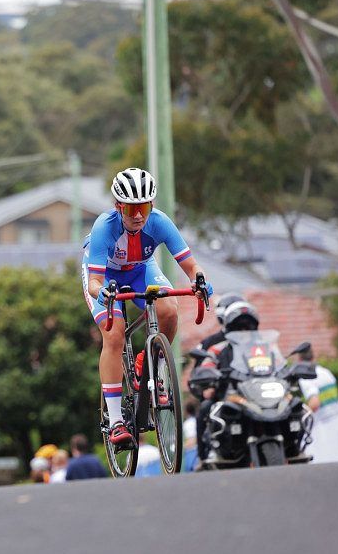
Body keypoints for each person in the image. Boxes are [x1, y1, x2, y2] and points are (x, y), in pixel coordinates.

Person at [83, 167, 212, 447]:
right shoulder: (104, 228)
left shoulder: (160, 222)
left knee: (168, 310)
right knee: (114, 335)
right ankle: (116, 420)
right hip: (106, 276)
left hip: (141, 269)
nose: (138, 215)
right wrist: (102, 293)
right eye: (131, 209)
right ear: (119, 207)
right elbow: (94, 282)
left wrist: (199, 279)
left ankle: (151, 362)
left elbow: (191, 265)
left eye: (143, 206)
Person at [193, 300, 261, 465]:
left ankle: (291, 444)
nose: (244, 332)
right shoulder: (218, 348)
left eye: (247, 328)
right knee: (205, 408)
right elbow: (207, 364)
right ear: (230, 329)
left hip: (258, 395)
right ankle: (204, 457)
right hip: (228, 396)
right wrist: (209, 384)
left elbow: (278, 364)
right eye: (240, 328)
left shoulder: (262, 348)